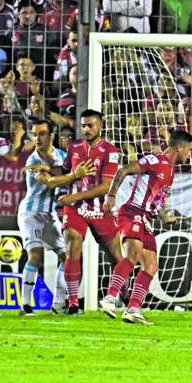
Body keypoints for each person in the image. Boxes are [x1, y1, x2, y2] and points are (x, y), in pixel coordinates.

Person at [101, 130, 192, 325]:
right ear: (179, 148)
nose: (189, 155)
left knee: (151, 264)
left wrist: (165, 217)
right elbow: (123, 170)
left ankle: (133, 309)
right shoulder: (154, 160)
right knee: (133, 254)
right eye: (189, 150)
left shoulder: (170, 171)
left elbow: (156, 202)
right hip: (131, 211)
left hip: (146, 216)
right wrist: (111, 196)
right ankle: (110, 298)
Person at [54, 110, 122, 315]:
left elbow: (106, 186)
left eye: (90, 125)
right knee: (73, 246)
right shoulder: (74, 146)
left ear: (100, 126)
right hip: (75, 210)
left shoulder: (111, 151)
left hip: (100, 209)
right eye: (83, 125)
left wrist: (72, 197)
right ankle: (73, 302)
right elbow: (66, 172)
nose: (86, 129)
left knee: (117, 257)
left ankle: (124, 296)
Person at [16, 120, 84, 316]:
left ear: (51, 136)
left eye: (42, 134)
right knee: (35, 254)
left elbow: (72, 175)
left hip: (50, 214)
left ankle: (58, 304)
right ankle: (25, 305)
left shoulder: (62, 157)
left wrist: (74, 175)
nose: (37, 139)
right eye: (34, 135)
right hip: (30, 214)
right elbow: (52, 183)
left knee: (68, 258)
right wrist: (73, 174)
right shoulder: (32, 161)